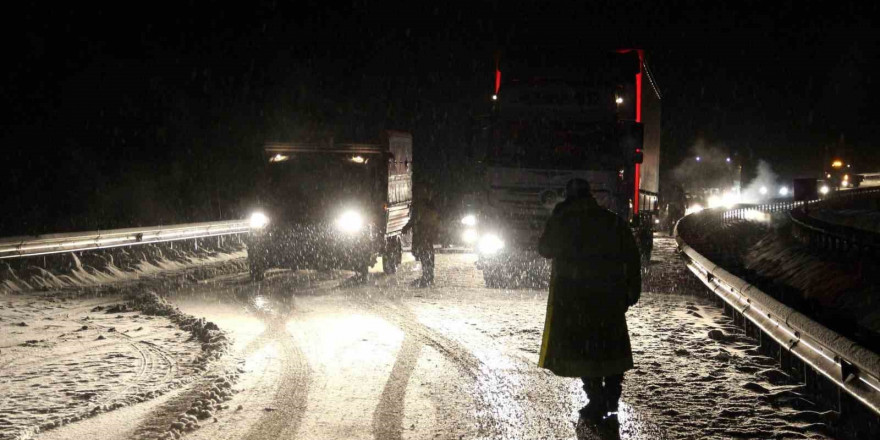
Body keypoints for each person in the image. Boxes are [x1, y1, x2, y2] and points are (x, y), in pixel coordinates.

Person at [537, 178, 641, 424]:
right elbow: (632, 256)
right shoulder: (612, 221)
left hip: (573, 297)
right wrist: (631, 289)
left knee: (584, 349)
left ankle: (596, 400)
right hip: (609, 295)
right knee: (611, 346)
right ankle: (612, 400)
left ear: (568, 197)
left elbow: (544, 249)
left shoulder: (563, 221)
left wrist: (555, 217)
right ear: (591, 195)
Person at [402, 191, 440, 287]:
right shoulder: (430, 205)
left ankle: (427, 277)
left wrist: (407, 227)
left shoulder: (421, 206)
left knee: (424, 255)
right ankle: (428, 277)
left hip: (422, 234)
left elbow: (415, 219)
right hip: (426, 234)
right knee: (427, 255)